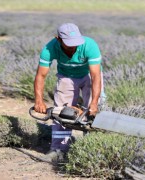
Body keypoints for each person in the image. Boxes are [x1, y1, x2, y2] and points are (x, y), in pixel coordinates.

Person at [34, 23, 104, 162]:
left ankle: (91, 148)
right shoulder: (49, 48)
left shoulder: (90, 45)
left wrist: (94, 102)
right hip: (66, 76)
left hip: (89, 75)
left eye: (75, 43)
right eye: (69, 44)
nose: (73, 46)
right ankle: (59, 150)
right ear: (58, 39)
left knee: (93, 111)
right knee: (61, 112)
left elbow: (96, 76)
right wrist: (38, 100)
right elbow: (40, 76)